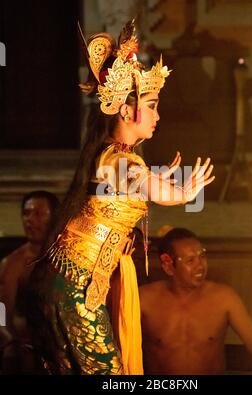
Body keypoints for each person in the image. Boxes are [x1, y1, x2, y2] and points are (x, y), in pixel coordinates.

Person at [26, 21, 215, 375]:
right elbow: (148, 186)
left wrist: (158, 179)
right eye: (153, 105)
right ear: (127, 111)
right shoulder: (124, 160)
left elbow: (127, 187)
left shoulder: (113, 155)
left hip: (71, 282)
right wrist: (185, 191)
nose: (158, 115)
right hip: (77, 286)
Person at [139, 228, 252, 375]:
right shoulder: (145, 300)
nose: (200, 266)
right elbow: (119, 348)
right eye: (190, 260)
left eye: (202, 257)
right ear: (168, 266)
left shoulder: (224, 298)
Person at [0, 190, 60, 373]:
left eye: (39, 214)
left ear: (54, 218)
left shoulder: (67, 257)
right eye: (26, 213)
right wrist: (13, 342)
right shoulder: (13, 263)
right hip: (26, 348)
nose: (30, 220)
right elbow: (2, 313)